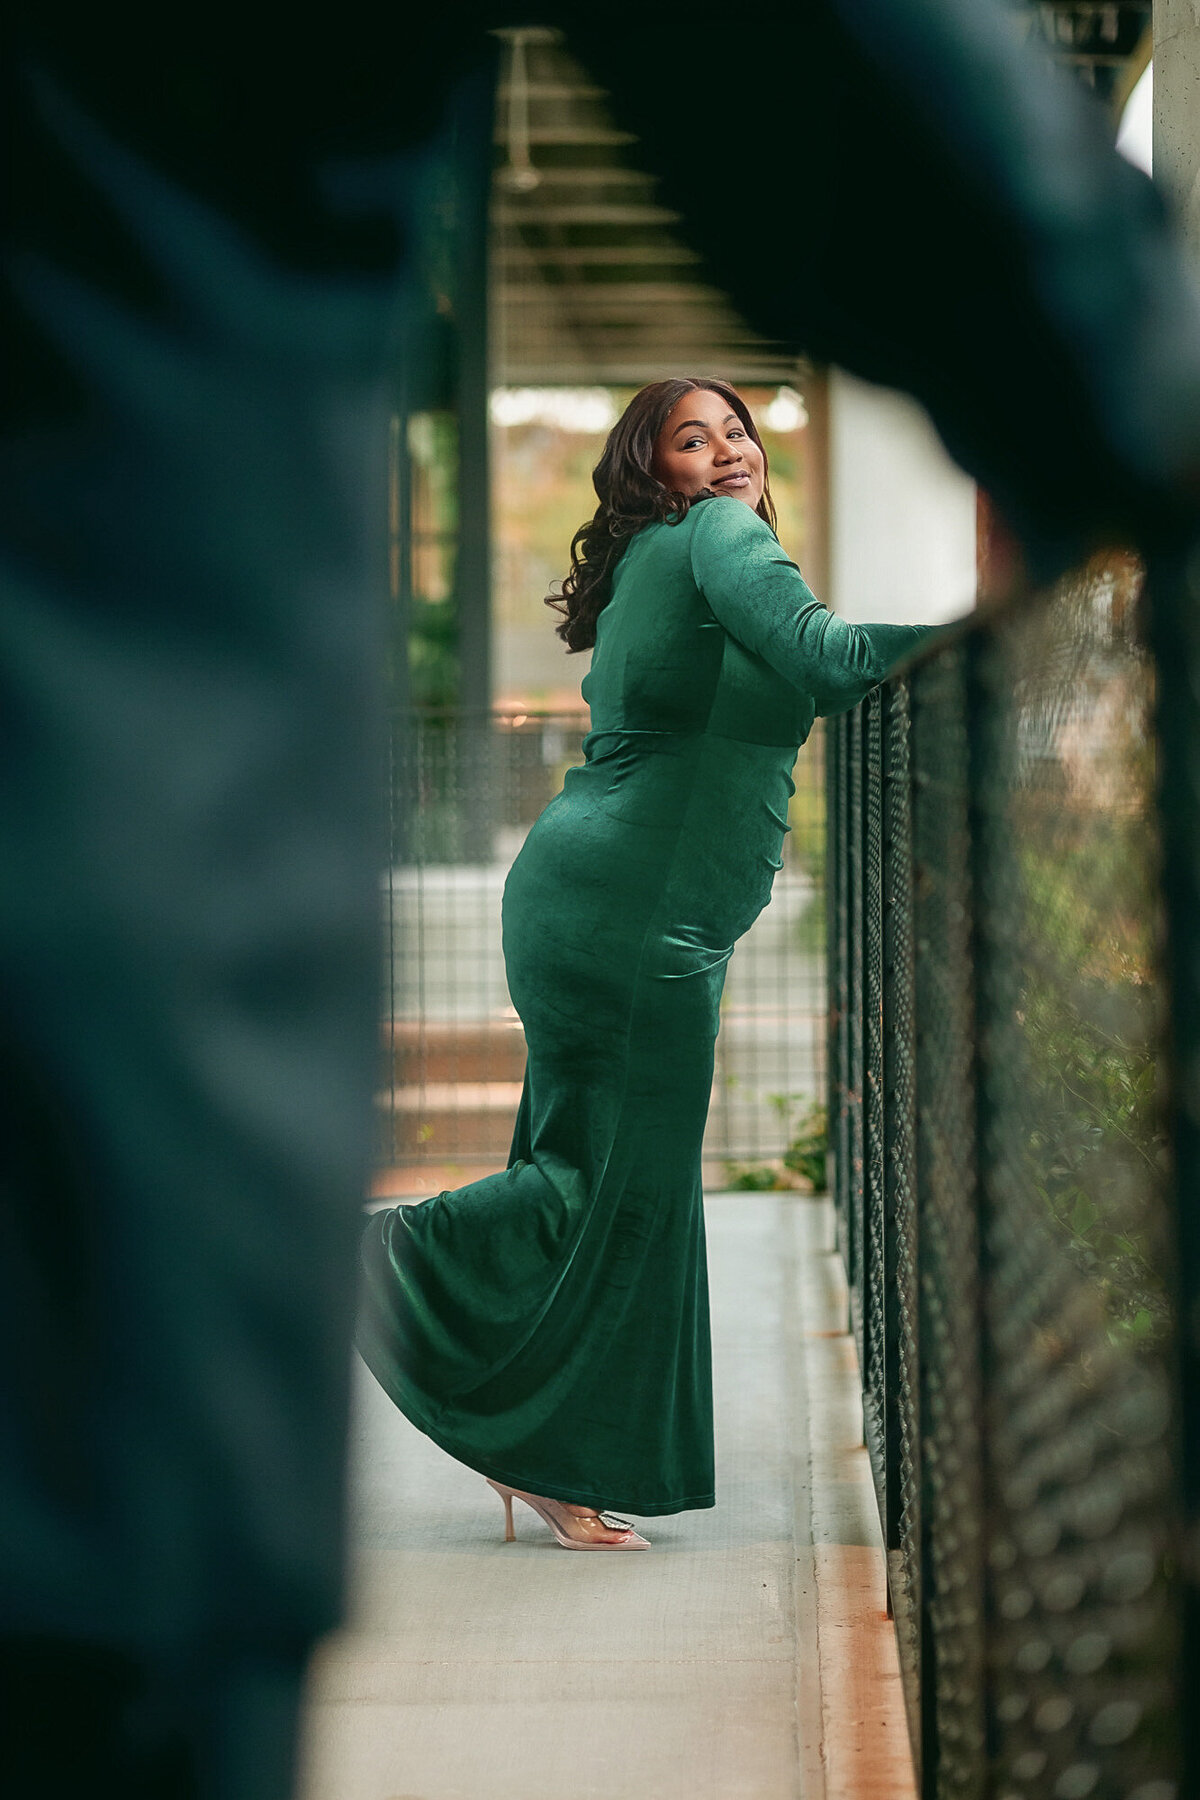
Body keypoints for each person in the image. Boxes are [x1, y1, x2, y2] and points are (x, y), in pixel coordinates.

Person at [357, 378, 938, 1549]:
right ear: (652, 468)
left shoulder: (661, 559)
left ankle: (548, 1454)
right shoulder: (718, 536)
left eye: (736, 431)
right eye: (692, 438)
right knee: (617, 1188)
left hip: (607, 904)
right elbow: (829, 660)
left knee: (601, 1173)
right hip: (633, 919)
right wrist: (975, 631)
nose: (725, 452)